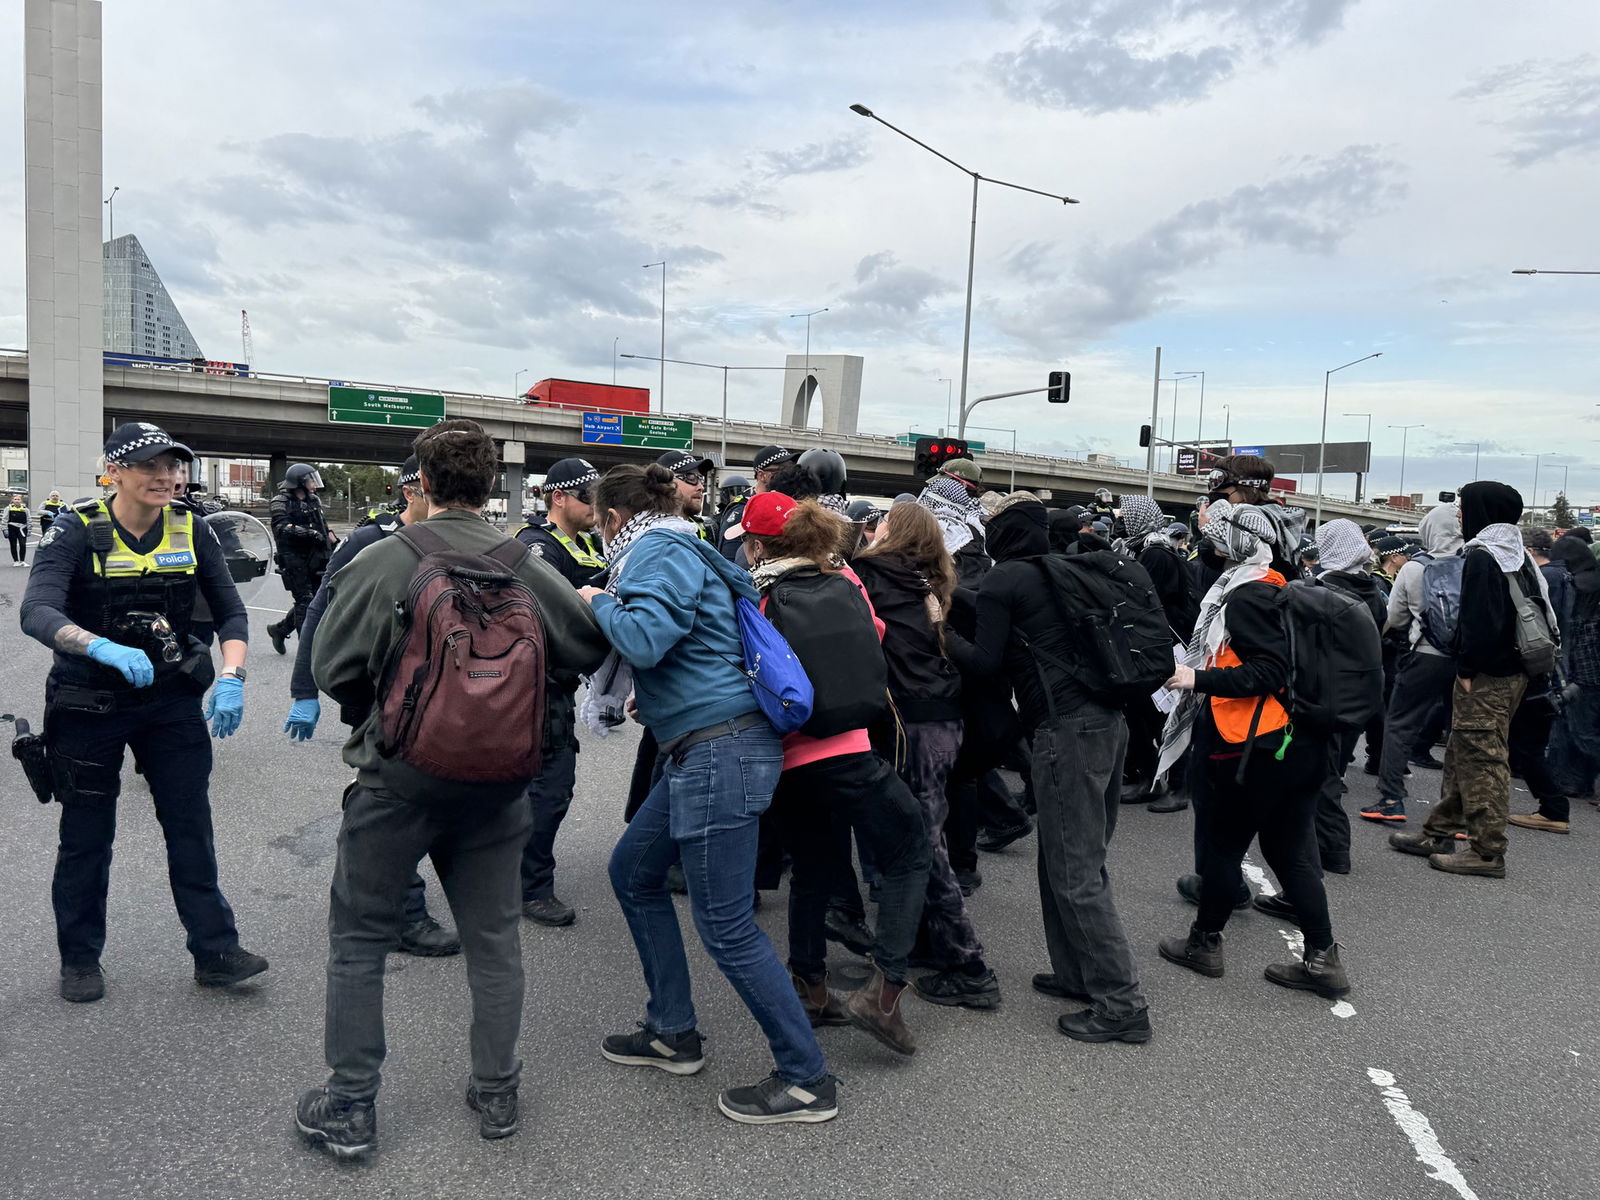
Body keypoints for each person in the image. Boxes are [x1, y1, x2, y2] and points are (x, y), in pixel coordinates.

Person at [295, 420, 609, 1157]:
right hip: (499, 783)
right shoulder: (525, 563)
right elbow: (585, 646)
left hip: (400, 779)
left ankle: (350, 1107)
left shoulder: (387, 558)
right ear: (494, 484)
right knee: (494, 941)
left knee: (359, 939)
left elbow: (334, 665)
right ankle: (496, 1090)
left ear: (425, 484)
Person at [582, 462, 839, 1126]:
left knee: (725, 925)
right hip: (706, 745)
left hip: (717, 753)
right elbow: (692, 645)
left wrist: (597, 600)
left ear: (613, 519)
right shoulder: (686, 544)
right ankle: (672, 1031)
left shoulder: (653, 549)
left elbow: (646, 634)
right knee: (632, 873)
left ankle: (808, 1079)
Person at [20, 422, 265, 1004]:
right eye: (152, 466)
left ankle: (216, 952)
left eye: (174, 466)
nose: (166, 477)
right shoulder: (75, 528)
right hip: (89, 703)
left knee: (191, 828)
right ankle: (80, 959)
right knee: (86, 835)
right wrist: (95, 644)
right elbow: (36, 609)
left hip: (170, 703)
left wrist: (231, 677)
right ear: (114, 473)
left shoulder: (194, 528)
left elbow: (232, 614)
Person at [948, 493, 1152, 1043]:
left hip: (1067, 732)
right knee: (1070, 857)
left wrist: (937, 629)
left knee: (1075, 869)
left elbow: (986, 661)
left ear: (1004, 535)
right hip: (1109, 723)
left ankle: (1121, 1004)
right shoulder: (1058, 571)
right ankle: (1076, 973)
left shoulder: (1004, 579)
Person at [741, 490, 931, 1055]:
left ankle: (812, 989)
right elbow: (876, 636)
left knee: (814, 871)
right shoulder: (845, 581)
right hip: (849, 749)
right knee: (910, 848)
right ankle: (885, 993)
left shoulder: (757, 597)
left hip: (789, 757)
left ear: (757, 543)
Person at [1155, 498, 1351, 1000]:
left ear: (1242, 541)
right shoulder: (1282, 587)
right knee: (1293, 854)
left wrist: (1195, 677)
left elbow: (1267, 671)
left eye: (1225, 533)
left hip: (1252, 744)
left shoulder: (1245, 597)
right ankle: (1322, 959)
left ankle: (1205, 944)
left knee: (1223, 846)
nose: (1215, 541)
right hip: (1298, 740)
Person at [283, 457, 459, 958]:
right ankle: (403, 913)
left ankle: (367, 887)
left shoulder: (453, 540)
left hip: (436, 697)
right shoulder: (368, 541)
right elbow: (321, 607)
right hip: (378, 695)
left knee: (404, 800)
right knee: (395, 803)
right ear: (412, 492)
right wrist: (303, 690)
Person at [855, 501, 1001, 1010]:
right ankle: (921, 941)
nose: (873, 530)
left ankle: (970, 965)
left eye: (882, 524)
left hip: (907, 722)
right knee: (915, 831)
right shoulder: (932, 583)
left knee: (922, 841)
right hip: (945, 718)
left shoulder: (873, 574)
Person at [1389, 482, 1547, 878]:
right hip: (1515, 670)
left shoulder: (1482, 556)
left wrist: (1465, 671)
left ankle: (1487, 850)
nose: (1459, 514)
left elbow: (1478, 622)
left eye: (1464, 506)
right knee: (1462, 751)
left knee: (1481, 758)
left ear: (1483, 510)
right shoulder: (1517, 554)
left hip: (1486, 673)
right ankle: (1439, 830)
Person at [513, 457, 606, 927]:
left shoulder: (585, 543)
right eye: (587, 495)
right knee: (547, 790)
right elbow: (557, 611)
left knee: (546, 788)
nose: (596, 504)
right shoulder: (536, 547)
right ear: (559, 498)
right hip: (533, 686)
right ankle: (530, 888)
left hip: (557, 685)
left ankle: (514, 877)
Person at [1362, 504, 1464, 822]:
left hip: (1424, 655)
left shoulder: (1414, 568)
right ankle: (1456, 812)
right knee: (1462, 731)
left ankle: (1392, 800)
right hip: (1468, 661)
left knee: (1400, 724)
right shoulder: (1475, 562)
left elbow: (1395, 617)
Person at [1307, 519, 1386, 874]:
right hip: (1361, 691)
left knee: (1322, 775)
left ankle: (1332, 849)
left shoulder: (1326, 589)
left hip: (1327, 691)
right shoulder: (1374, 587)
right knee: (1332, 771)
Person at [1536, 534, 1600, 824]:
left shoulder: (1581, 585)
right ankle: (1577, 781)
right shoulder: (1589, 580)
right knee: (1580, 731)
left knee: (1584, 733)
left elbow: (1582, 634)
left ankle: (1572, 780)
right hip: (1587, 673)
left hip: (1586, 674)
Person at [266, 463, 336, 655]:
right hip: (293, 560)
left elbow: (323, 525)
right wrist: (310, 533)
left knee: (316, 601)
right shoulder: (280, 501)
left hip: (315, 558)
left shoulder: (314, 499)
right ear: (300, 482)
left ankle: (279, 630)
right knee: (305, 601)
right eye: (310, 479)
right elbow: (281, 528)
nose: (314, 483)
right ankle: (306, 649)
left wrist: (330, 538)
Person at [654, 449, 715, 538]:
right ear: (666, 483)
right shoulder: (655, 534)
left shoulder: (695, 527)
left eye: (701, 478)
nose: (701, 487)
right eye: (691, 478)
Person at [7, 492, 30, 565]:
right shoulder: (8, 509)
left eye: (18, 499)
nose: (17, 500)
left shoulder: (25, 509)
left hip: (22, 529)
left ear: (21, 500)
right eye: (15, 499)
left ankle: (22, 561)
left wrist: (29, 529)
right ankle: (16, 561)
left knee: (22, 544)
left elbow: (29, 519)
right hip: (11, 528)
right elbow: (4, 519)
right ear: (13, 500)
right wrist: (4, 529)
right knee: (13, 544)